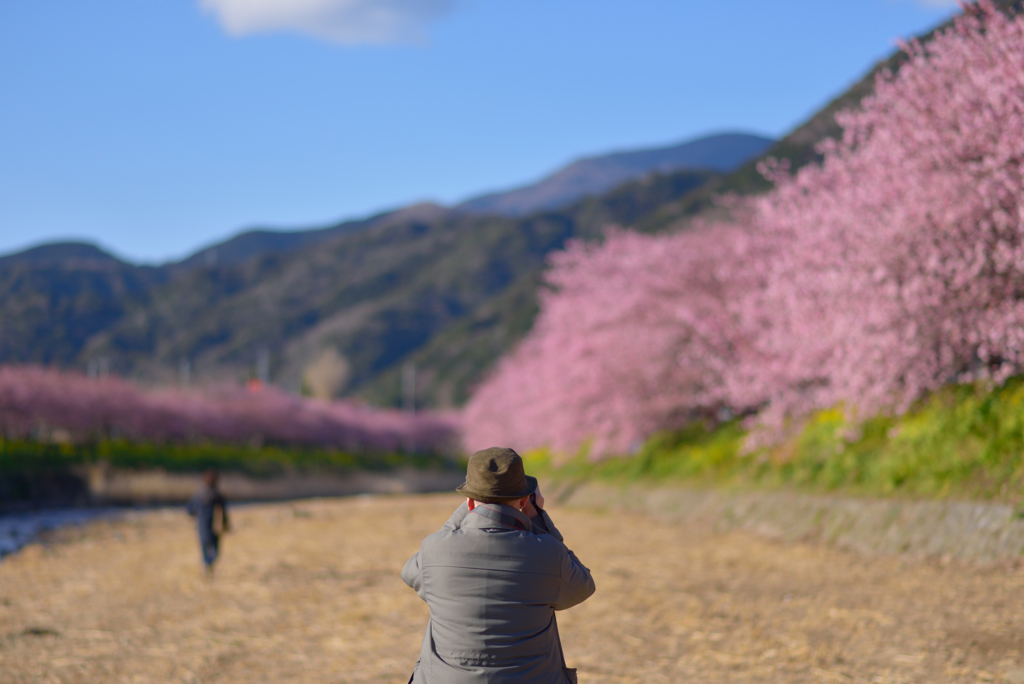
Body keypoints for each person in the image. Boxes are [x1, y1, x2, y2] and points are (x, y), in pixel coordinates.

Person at [402, 447, 595, 683]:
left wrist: (465, 512)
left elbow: (410, 573)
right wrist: (540, 519)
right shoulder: (549, 551)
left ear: (470, 502)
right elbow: (583, 585)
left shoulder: (434, 549)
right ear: (525, 500)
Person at [186, 469, 230, 576]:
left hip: (205, 526)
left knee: (207, 549)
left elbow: (190, 511)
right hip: (214, 527)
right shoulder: (216, 495)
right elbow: (224, 513)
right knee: (214, 550)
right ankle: (208, 565)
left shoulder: (199, 495)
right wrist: (225, 525)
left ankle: (208, 565)